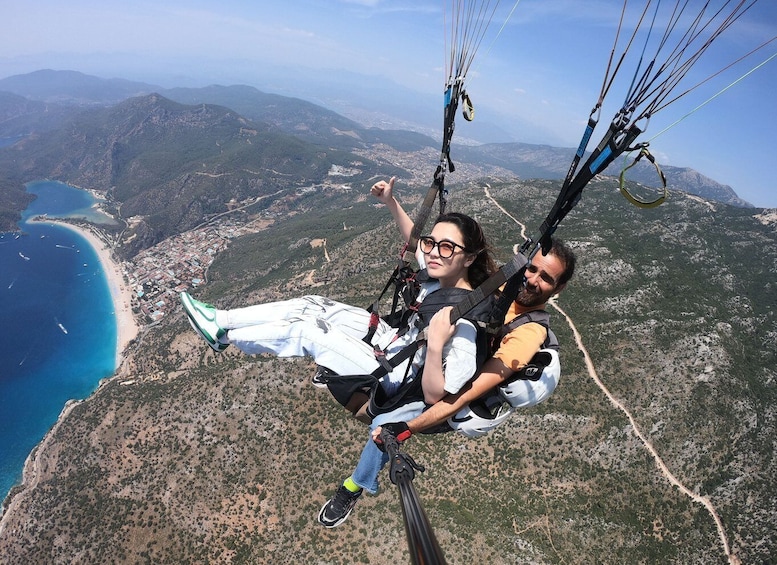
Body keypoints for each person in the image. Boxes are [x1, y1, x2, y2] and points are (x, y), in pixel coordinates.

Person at [180, 177, 498, 524]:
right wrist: (391, 203)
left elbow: (437, 396)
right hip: (390, 340)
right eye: (432, 243)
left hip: (394, 374)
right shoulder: (442, 277)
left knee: (308, 332)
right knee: (312, 304)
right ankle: (221, 318)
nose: (434, 252)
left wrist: (436, 345)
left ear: (468, 258)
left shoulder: (465, 328)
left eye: (447, 247)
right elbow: (414, 240)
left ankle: (224, 337)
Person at [330, 237, 576, 529]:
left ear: (558, 288)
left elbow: (465, 394)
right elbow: (441, 254)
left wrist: (406, 429)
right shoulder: (499, 284)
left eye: (546, 277)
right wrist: (391, 203)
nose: (532, 279)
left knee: (380, 426)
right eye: (531, 268)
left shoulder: (528, 333)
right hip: (430, 359)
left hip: (450, 392)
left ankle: (355, 485)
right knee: (348, 386)